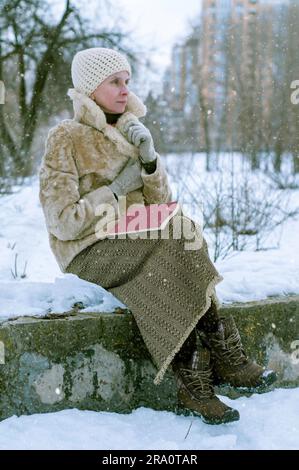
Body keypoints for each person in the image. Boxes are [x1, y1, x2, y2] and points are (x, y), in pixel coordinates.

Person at [39, 47, 277, 425]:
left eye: (127, 81)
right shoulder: (66, 137)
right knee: (171, 236)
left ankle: (197, 377)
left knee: (180, 230)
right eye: (114, 82)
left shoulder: (131, 131)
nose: (124, 89)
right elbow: (62, 221)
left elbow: (161, 205)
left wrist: (148, 160)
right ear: (90, 87)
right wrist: (116, 190)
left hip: (136, 241)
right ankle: (219, 361)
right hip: (88, 249)